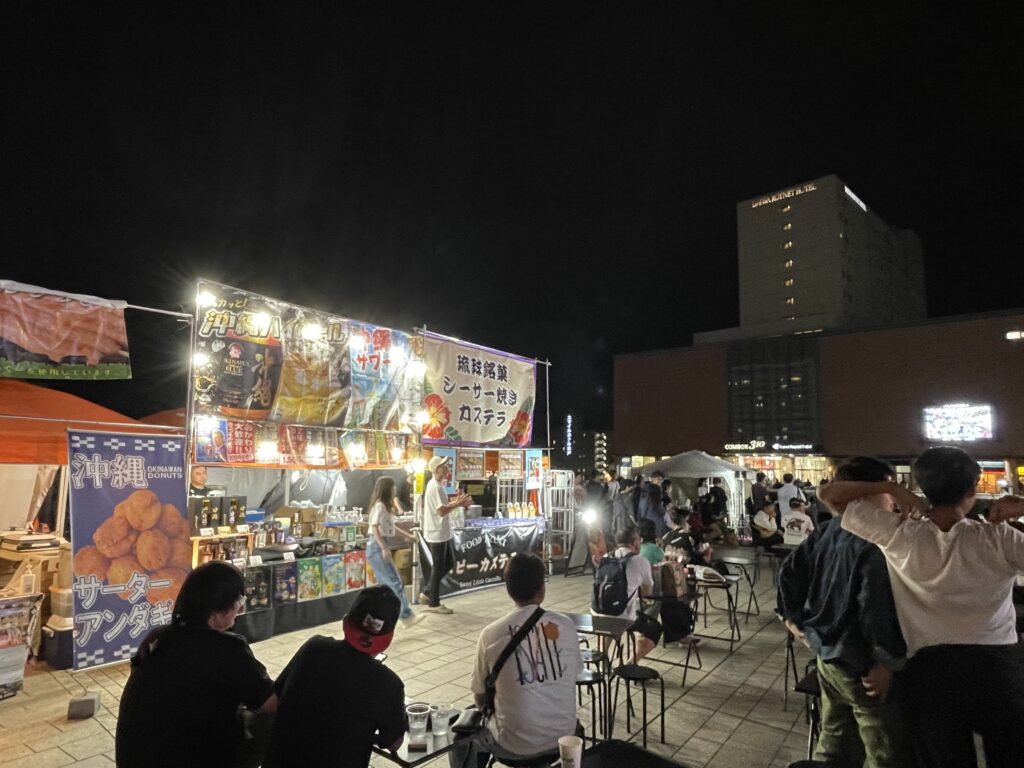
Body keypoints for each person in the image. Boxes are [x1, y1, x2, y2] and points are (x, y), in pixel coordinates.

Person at [820, 446, 1024, 768]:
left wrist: (892, 488)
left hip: (929, 672)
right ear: (972, 489)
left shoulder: (899, 534)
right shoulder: (1001, 539)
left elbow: (829, 495)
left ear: (923, 488)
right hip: (997, 669)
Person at [778, 457, 907, 768]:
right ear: (866, 492)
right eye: (888, 491)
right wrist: (887, 660)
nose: (892, 500)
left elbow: (788, 574)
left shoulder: (827, 530)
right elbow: (873, 608)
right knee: (883, 752)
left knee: (834, 745)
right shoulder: (875, 541)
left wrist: (794, 620)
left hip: (826, 656)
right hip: (861, 663)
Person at [116, 561, 276, 768]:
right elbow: (270, 703)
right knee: (267, 720)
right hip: (192, 758)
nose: (241, 607)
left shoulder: (158, 638)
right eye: (239, 600)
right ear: (219, 608)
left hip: (134, 759)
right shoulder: (228, 649)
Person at [453, 553, 582, 766]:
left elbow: (480, 696)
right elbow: (574, 675)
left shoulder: (491, 634)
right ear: (542, 590)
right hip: (564, 740)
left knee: (462, 737)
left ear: (509, 589)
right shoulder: (566, 626)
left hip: (512, 746)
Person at [263, 586, 406, 768]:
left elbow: (277, 695)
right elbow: (394, 744)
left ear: (346, 622)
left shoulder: (313, 649)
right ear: (388, 639)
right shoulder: (388, 684)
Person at [594, 527, 662, 663]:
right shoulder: (640, 561)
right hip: (624, 617)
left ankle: (603, 659)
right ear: (635, 542)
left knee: (608, 620)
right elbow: (647, 592)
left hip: (598, 612)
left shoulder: (606, 558)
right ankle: (631, 663)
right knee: (655, 629)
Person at [421, 455, 472, 614]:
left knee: (448, 563)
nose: (447, 468)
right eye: (444, 466)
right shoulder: (435, 487)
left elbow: (443, 506)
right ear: (437, 470)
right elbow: (441, 511)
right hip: (436, 532)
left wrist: (456, 503)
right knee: (439, 567)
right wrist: (459, 503)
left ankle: (428, 592)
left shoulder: (436, 485)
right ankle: (433, 603)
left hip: (441, 532)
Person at [366, 475, 419, 624]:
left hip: (378, 545)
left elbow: (391, 528)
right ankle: (405, 615)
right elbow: (374, 527)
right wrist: (384, 547)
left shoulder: (384, 506)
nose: (395, 489)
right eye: (393, 487)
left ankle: (388, 614)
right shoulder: (380, 506)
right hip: (377, 546)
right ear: (387, 489)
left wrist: (408, 536)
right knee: (393, 582)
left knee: (389, 583)